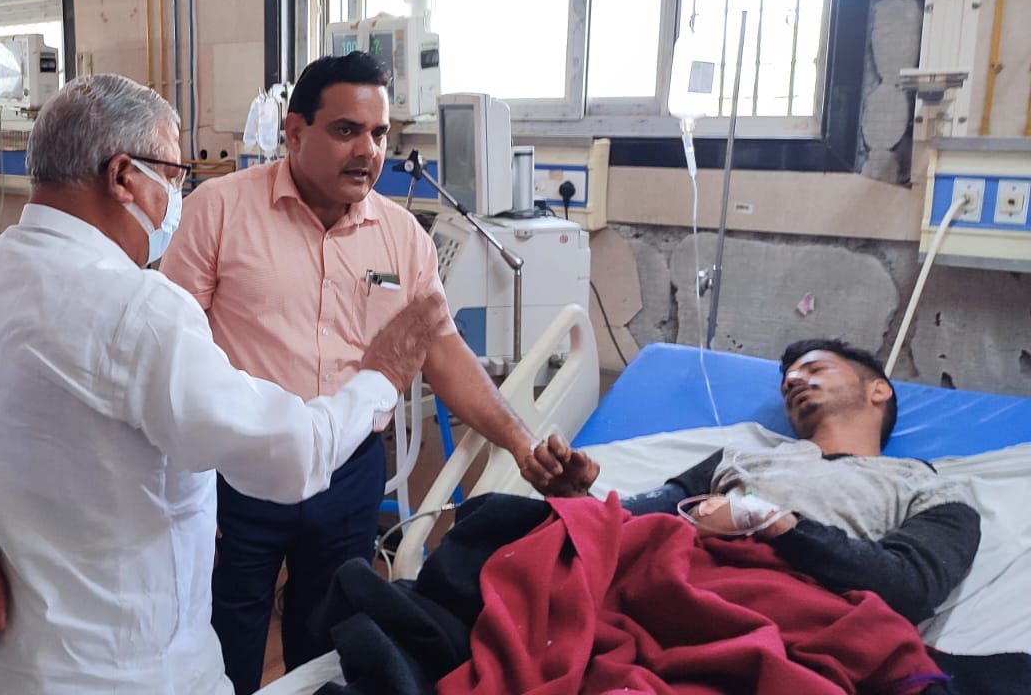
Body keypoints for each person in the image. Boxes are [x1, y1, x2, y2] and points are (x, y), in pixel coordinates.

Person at [0, 73, 445, 693]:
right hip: (116, 667)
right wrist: (380, 377)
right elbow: (291, 455)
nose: (177, 197)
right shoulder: (136, 310)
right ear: (122, 176)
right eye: (172, 175)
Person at [156, 51, 597, 691]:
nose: (368, 150)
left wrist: (522, 445)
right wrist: (186, 482)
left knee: (331, 642)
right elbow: (174, 352)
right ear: (295, 132)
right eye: (346, 130)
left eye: (379, 133)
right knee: (226, 636)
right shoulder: (219, 211)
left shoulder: (402, 238)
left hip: (348, 472)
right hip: (240, 470)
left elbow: (442, 352)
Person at [605, 338, 982, 624]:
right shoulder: (740, 457)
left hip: (794, 618)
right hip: (673, 592)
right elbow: (644, 514)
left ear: (879, 390)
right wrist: (580, 499)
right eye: (788, 383)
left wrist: (767, 519)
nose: (795, 380)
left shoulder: (929, 488)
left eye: (816, 369)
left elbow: (910, 587)